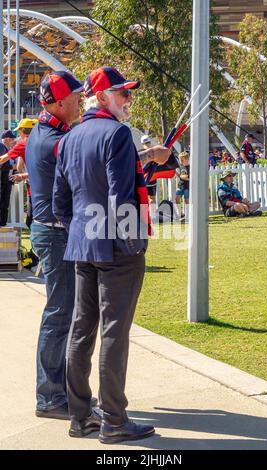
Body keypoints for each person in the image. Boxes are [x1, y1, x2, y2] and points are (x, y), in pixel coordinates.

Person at [52, 66, 170, 443]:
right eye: (123, 93)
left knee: (82, 330)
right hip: (116, 247)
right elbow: (121, 198)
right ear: (102, 97)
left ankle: (80, 416)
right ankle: (115, 421)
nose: (129, 99)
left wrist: (83, 230)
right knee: (113, 332)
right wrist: (132, 242)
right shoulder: (117, 133)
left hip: (83, 243)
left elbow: (60, 203)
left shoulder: (69, 138)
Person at [25, 71, 88, 421]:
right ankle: (50, 397)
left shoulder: (46, 131)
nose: (81, 101)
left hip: (51, 230)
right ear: (60, 102)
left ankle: (57, 391)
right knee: (59, 315)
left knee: (62, 313)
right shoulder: (55, 140)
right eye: (77, 96)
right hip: (55, 232)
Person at [0, 119, 38, 228]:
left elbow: (3, 159)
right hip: (50, 187)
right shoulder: (47, 140)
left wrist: (23, 175)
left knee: (32, 222)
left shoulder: (24, 143)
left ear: (22, 131)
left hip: (35, 188)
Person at [0, 130, 17, 226]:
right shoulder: (2, 147)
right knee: (3, 202)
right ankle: (2, 223)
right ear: (6, 139)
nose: (13, 141)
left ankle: (3, 223)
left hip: (7, 180)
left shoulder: (8, 149)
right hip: (3, 181)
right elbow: (1, 164)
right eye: (12, 139)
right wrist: (12, 167)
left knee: (5, 203)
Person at [175, 151, 190, 219]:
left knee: (187, 200)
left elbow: (187, 177)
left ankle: (188, 214)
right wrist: (176, 173)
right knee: (177, 198)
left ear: (187, 159)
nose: (180, 161)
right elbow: (181, 176)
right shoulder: (181, 166)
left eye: (182, 160)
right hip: (180, 185)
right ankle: (180, 213)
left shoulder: (190, 167)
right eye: (180, 160)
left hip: (187, 186)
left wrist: (182, 176)